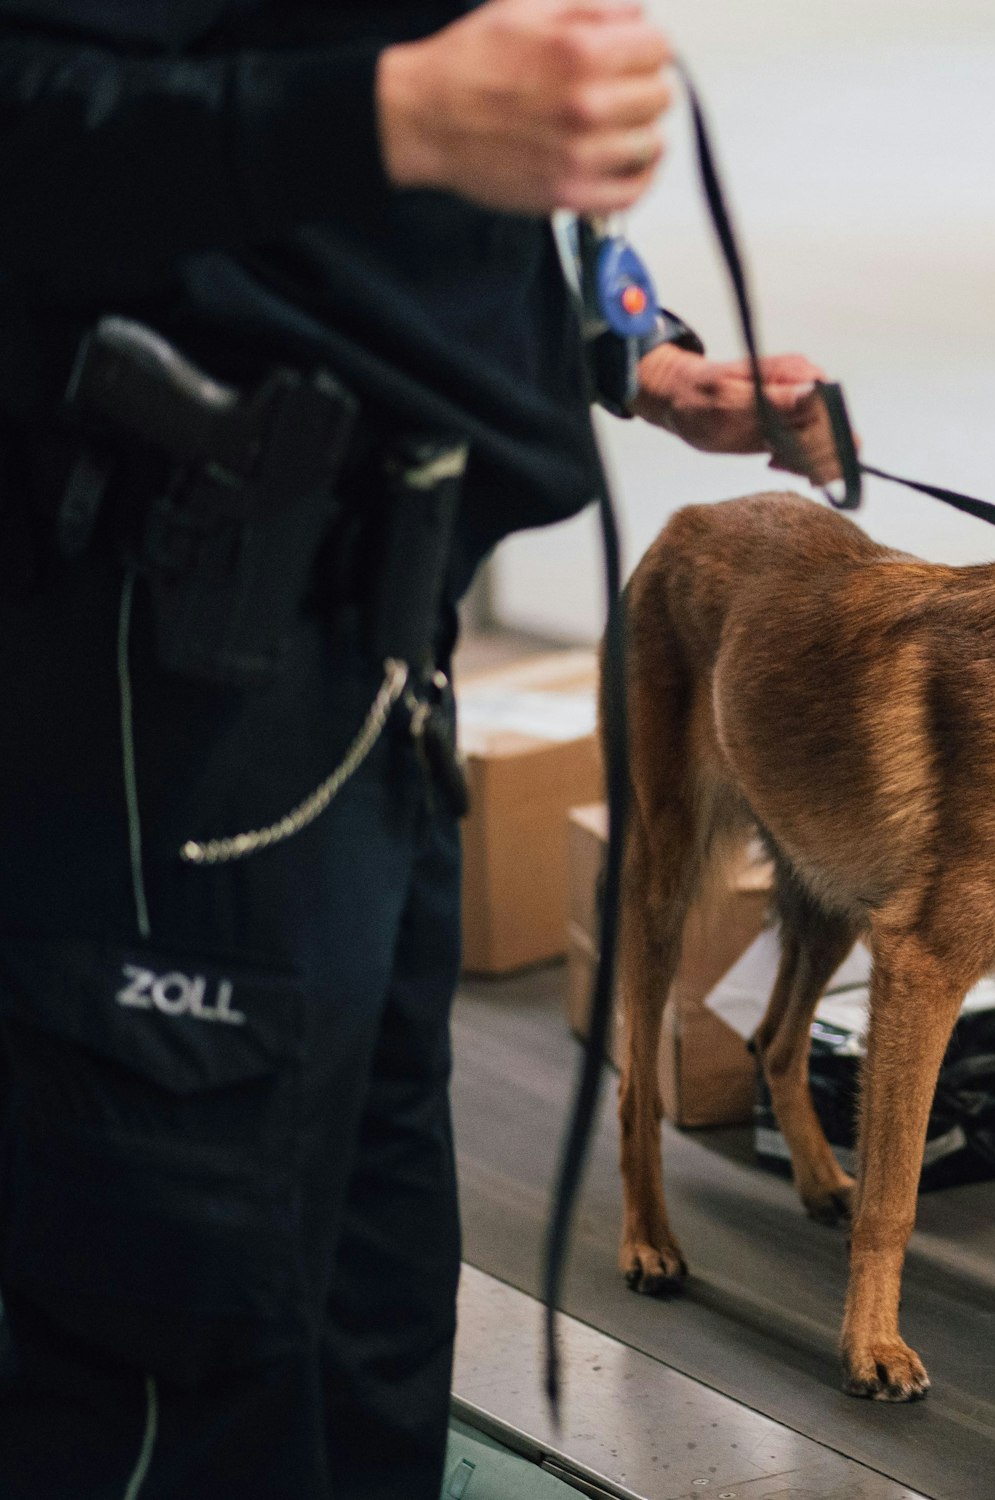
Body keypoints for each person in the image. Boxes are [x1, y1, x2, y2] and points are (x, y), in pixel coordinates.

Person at [0, 3, 837, 1496]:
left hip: (377, 649)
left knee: (371, 1298)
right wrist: (390, 112)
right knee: (181, 1341)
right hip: (163, 647)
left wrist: (636, 355)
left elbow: (418, 215)